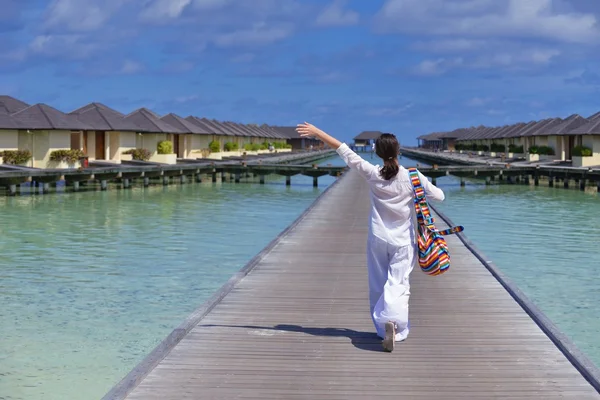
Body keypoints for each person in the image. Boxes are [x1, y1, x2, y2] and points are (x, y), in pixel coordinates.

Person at [296, 122, 445, 352]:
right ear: (399, 152)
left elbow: (344, 150)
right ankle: (396, 325)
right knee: (399, 283)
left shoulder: (373, 173)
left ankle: (381, 327)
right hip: (403, 240)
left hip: (377, 238)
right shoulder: (412, 177)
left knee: (378, 283)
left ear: (378, 153)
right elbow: (440, 196)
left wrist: (317, 133)